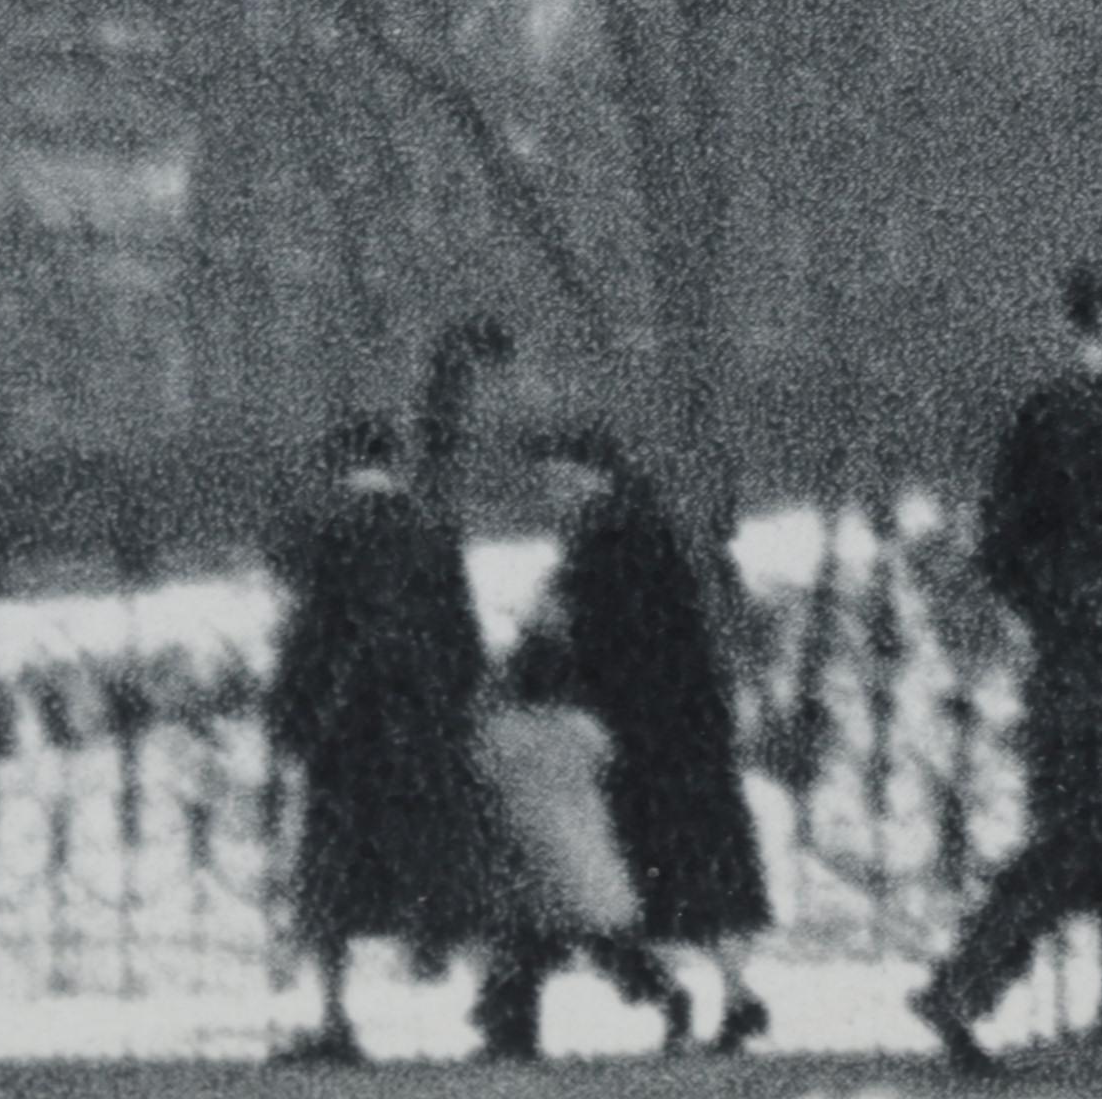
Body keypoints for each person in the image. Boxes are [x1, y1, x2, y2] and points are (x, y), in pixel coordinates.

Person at [912, 259, 1102, 1077]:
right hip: (1087, 671)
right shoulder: (1057, 412)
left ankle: (977, 990)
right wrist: (1078, 612)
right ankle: (970, 990)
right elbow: (1005, 544)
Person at [469, 425, 767, 1060]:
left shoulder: (613, 538)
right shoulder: (629, 530)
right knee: (674, 878)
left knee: (647, 877)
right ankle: (725, 997)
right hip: (670, 732)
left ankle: (709, 998)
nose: (549, 493)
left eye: (558, 478)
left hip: (654, 736)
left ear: (592, 474)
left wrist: (544, 639)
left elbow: (608, 638)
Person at [265, 410, 499, 1067]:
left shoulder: (325, 532)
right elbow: (465, 641)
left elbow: (307, 636)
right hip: (423, 730)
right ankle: (499, 1009)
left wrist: (289, 718)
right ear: (392, 463)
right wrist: (452, 708)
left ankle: (336, 1017)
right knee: (443, 862)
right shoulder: (432, 530)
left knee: (334, 875)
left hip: (346, 735)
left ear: (337, 465)